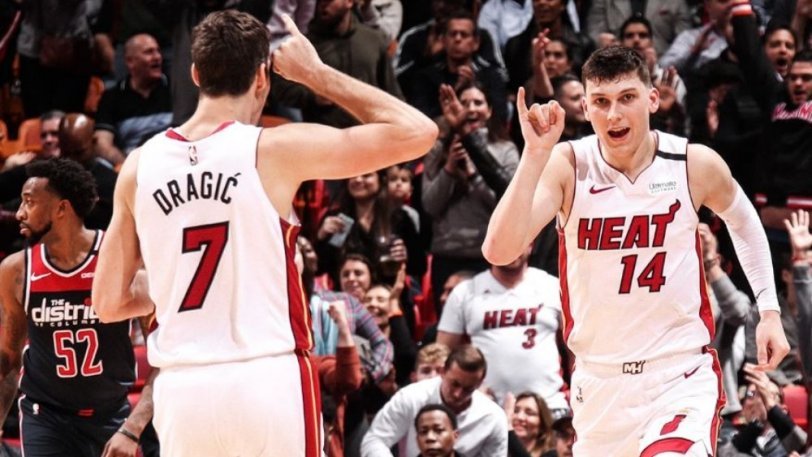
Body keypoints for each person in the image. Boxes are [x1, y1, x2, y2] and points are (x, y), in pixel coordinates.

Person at [91, 9, 437, 457]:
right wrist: (317, 74)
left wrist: (174, 282)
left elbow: (108, 301)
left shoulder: (139, 165)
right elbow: (418, 132)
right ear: (262, 77)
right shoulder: (272, 149)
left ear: (195, 74)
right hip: (266, 378)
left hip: (182, 391)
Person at [483, 45, 789, 455]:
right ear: (585, 108)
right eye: (601, 102)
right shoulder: (567, 164)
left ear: (652, 99)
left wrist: (769, 311)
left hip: (678, 373)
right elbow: (500, 251)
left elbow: (745, 222)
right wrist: (534, 156)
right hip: (599, 382)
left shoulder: (692, 163)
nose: (614, 114)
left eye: (626, 97)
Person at [0, 158, 153, 457]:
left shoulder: (122, 260)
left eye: (29, 202)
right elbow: (8, 359)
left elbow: (164, 355)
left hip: (112, 415)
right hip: (45, 416)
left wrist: (132, 428)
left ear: (61, 209)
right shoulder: (16, 271)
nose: (19, 213)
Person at [437, 246, 569, 413]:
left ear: (531, 244)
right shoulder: (464, 292)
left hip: (549, 405)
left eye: (518, 241)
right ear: (489, 244)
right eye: (504, 240)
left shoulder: (553, 286)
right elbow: (442, 354)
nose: (511, 247)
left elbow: (575, 349)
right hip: (485, 407)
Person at [361, 345, 508, 457]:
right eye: (454, 384)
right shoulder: (411, 397)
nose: (458, 394)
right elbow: (375, 440)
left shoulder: (493, 418)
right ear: (442, 372)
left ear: (479, 383)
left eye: (468, 389)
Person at [94, 33, 172, 168]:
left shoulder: (175, 89)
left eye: (158, 51)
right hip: (132, 165)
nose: (157, 57)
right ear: (130, 61)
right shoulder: (112, 97)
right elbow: (102, 143)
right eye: (149, 52)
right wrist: (129, 167)